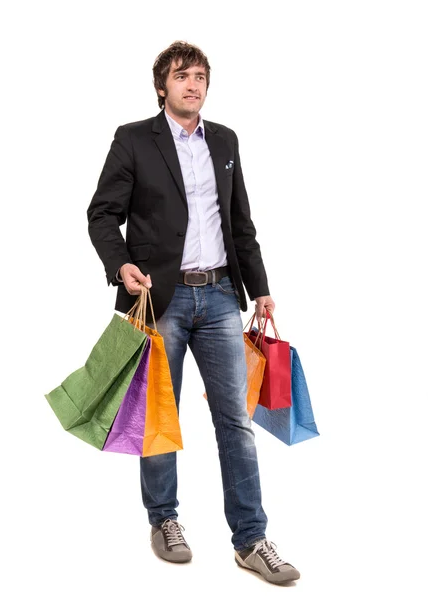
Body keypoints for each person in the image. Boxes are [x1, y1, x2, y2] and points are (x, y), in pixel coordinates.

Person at [87, 40, 300, 585]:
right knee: (159, 416)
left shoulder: (224, 140)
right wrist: (121, 266)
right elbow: (102, 215)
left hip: (223, 296)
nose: (193, 84)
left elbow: (240, 221)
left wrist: (261, 288)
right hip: (161, 299)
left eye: (201, 75)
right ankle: (164, 520)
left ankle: (251, 538)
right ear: (163, 86)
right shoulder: (134, 139)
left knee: (236, 420)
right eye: (182, 76)